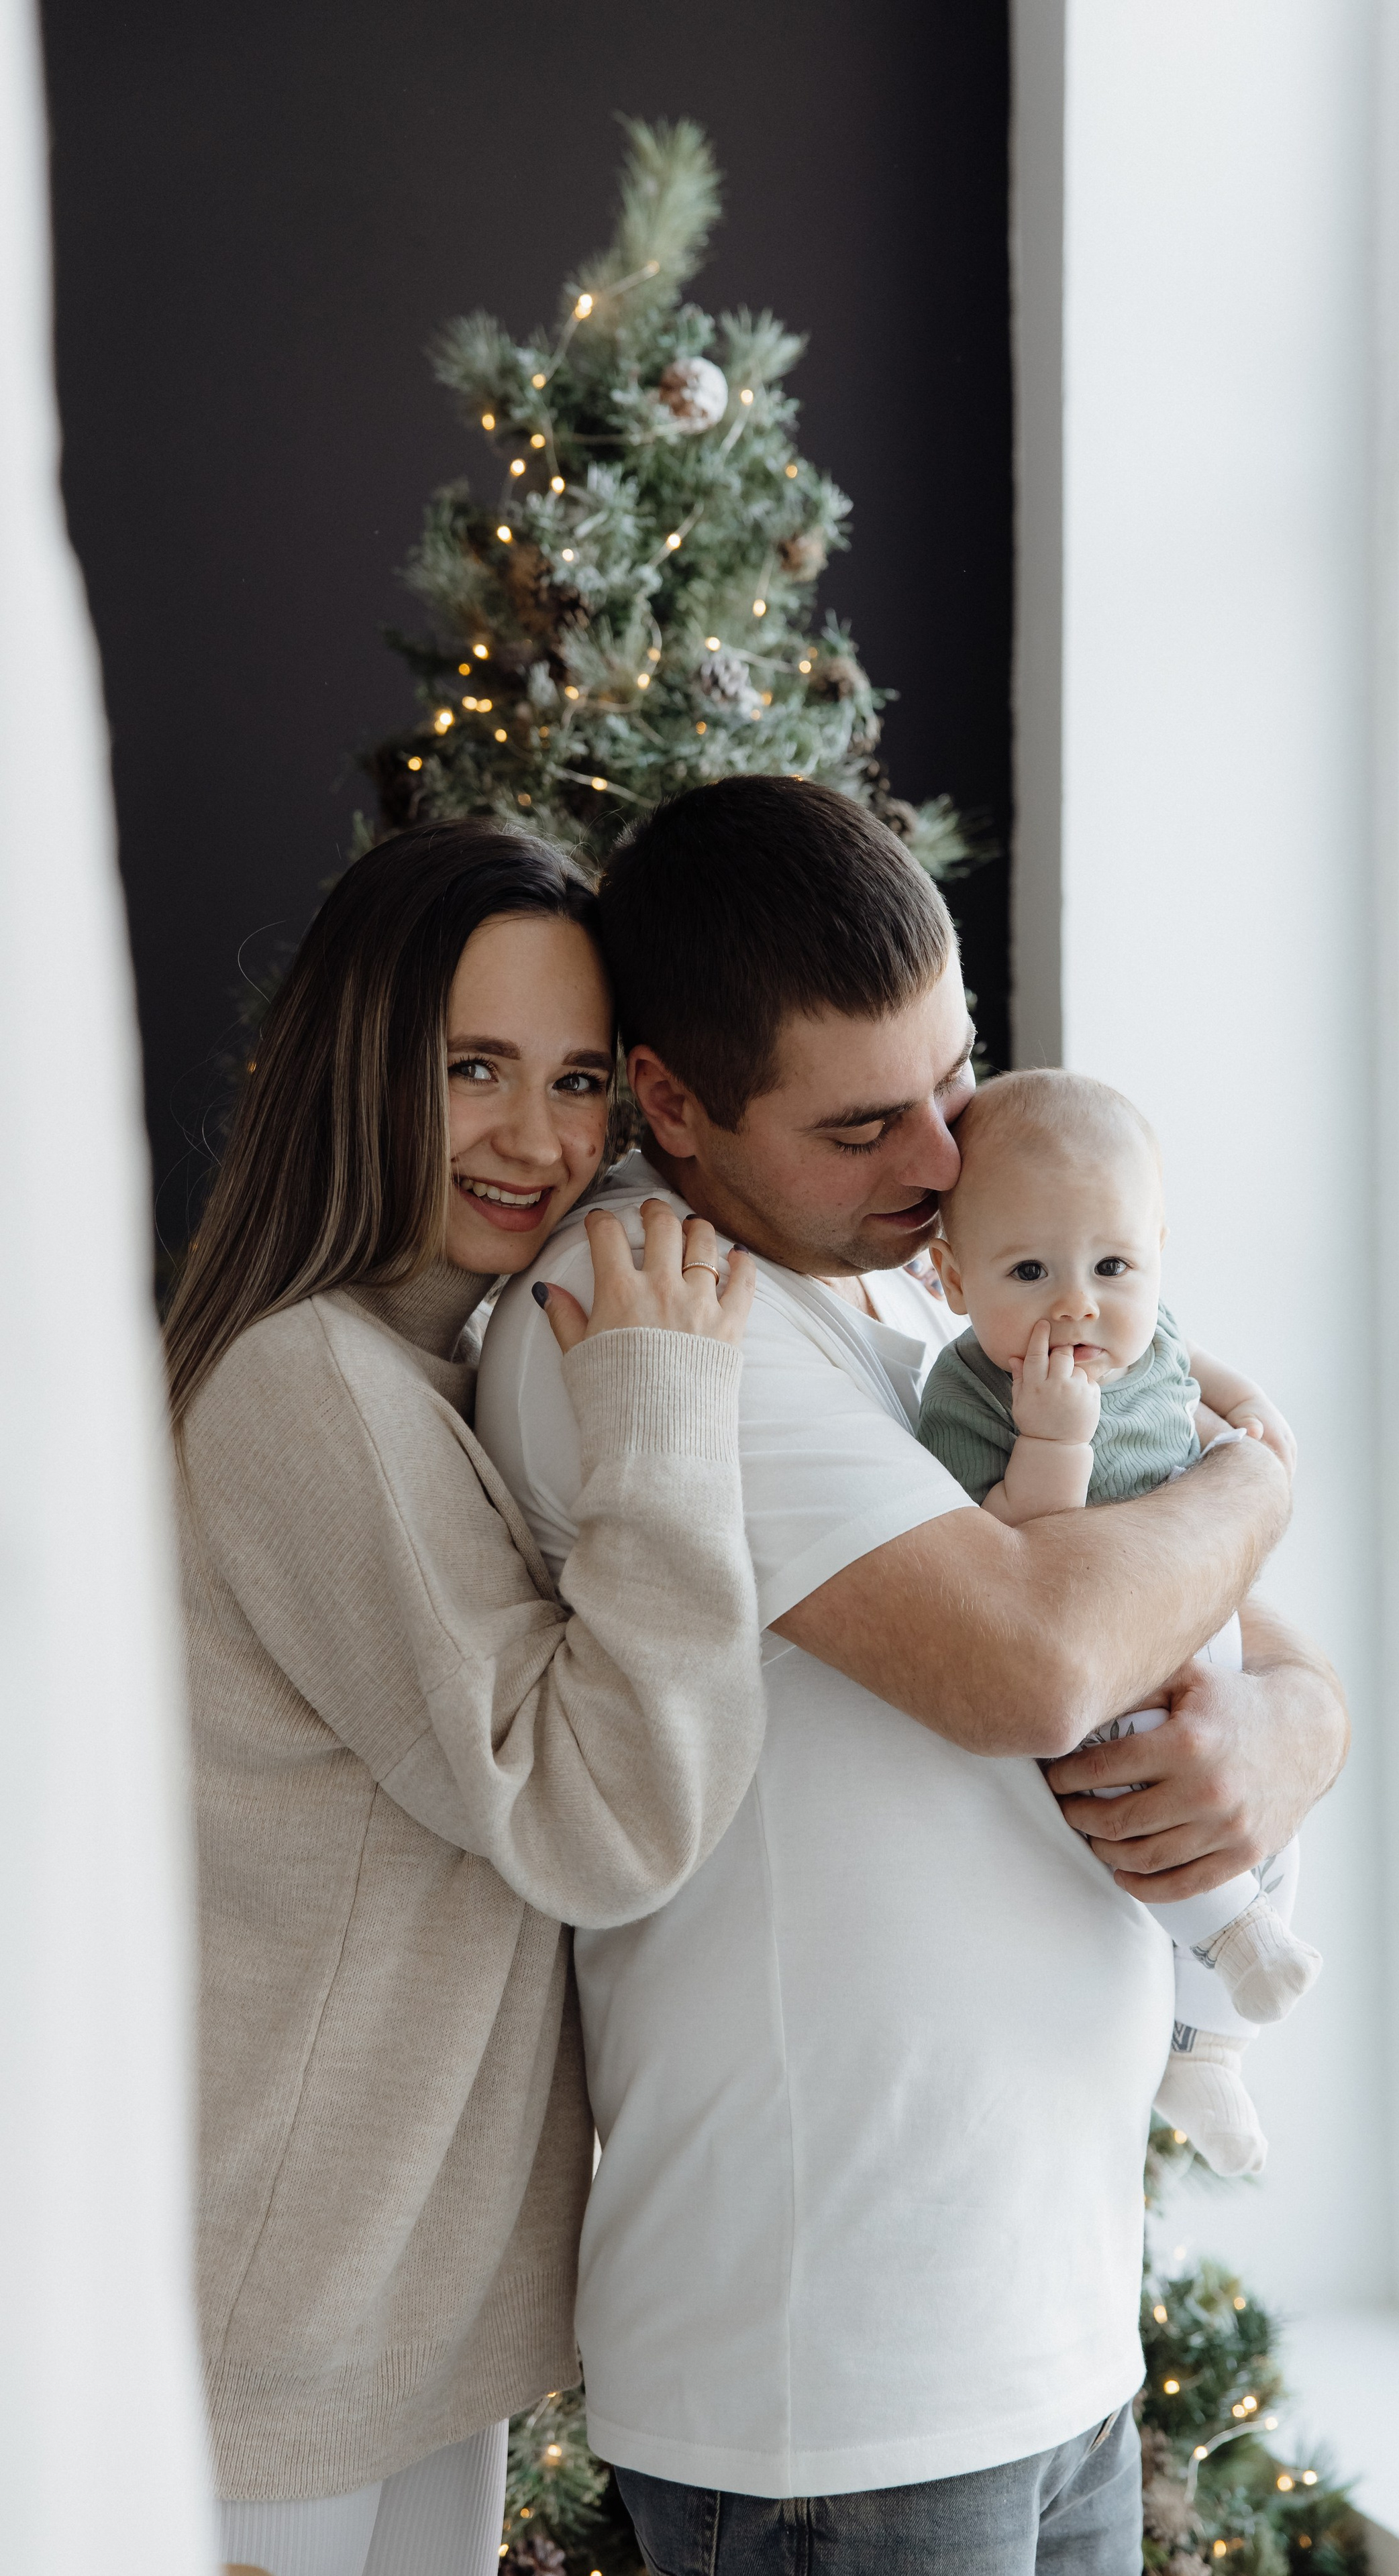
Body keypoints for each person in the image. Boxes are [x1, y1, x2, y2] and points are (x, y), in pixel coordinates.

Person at [476, 777, 1348, 2576]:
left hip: (1043, 2321)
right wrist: (1262, 1481)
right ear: (670, 1104)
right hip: (838, 2379)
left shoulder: (899, 1294)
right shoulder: (642, 1309)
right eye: (865, 1123)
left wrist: (1294, 1727)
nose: (945, 1163)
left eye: (953, 1082)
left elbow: (1197, 1616)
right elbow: (1034, 1661)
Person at [165, 818, 765, 2576]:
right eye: (475, 1069)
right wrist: (661, 1414)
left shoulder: (423, 1365)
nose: (542, 1140)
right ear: (364, 1068)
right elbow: (606, 1818)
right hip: (275, 2332)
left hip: (375, 2316)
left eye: (580, 1078)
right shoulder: (308, 1385)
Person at [917, 1065, 1323, 2180]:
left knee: (1269, 1820)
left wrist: (1243, 1414)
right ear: (951, 1278)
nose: (1078, 1305)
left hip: (1209, 1641)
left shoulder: (1143, 1334)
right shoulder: (972, 1398)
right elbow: (1014, 1551)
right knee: (1148, 1794)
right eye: (1030, 1271)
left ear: (1154, 1252)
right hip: (1110, 1678)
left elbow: (1186, 1360)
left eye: (1112, 1266)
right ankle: (1232, 1941)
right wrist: (1053, 1440)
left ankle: (1212, 2050)